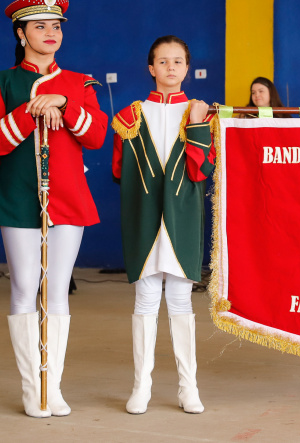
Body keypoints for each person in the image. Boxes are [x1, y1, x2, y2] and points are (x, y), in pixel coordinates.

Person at [0, 0, 107, 418]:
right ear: (20, 33)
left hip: (68, 199)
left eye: (55, 26)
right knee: (23, 288)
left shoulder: (80, 83)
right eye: (39, 26)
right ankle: (32, 388)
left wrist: (65, 105)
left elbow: (95, 137)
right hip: (18, 200)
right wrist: (32, 110)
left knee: (57, 294)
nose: (50, 33)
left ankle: (54, 386)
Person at [112, 35, 214, 415]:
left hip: (183, 218)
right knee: (145, 301)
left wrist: (200, 125)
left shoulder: (200, 113)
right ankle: (142, 387)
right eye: (163, 61)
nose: (171, 68)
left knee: (181, 302)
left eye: (178, 61)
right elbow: (120, 171)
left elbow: (200, 170)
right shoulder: (128, 117)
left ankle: (189, 387)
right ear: (150, 68)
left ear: (187, 68)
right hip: (144, 219)